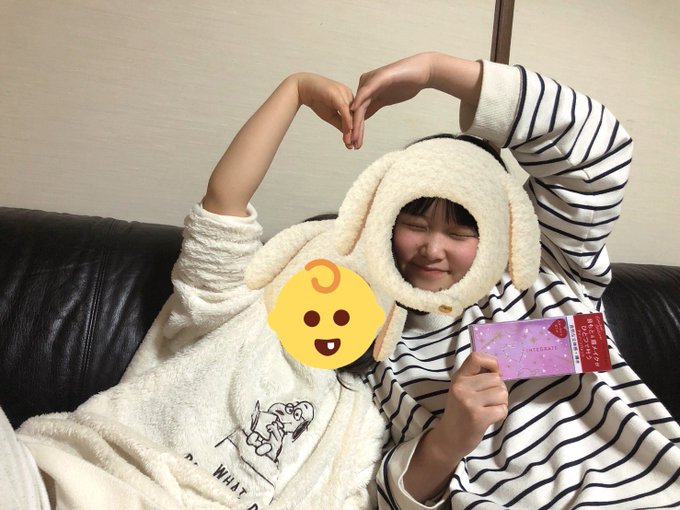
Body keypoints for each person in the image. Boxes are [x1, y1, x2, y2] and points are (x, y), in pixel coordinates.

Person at [4, 72, 387, 509]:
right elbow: (224, 201)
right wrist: (295, 91)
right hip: (76, 481)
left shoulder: (358, 422)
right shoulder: (236, 306)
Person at [347, 52, 680, 508]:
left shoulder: (545, 268)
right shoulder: (372, 340)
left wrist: (433, 71)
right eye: (415, 225)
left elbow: (597, 147)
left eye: (460, 232)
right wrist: (446, 441)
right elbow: (382, 493)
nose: (433, 249)